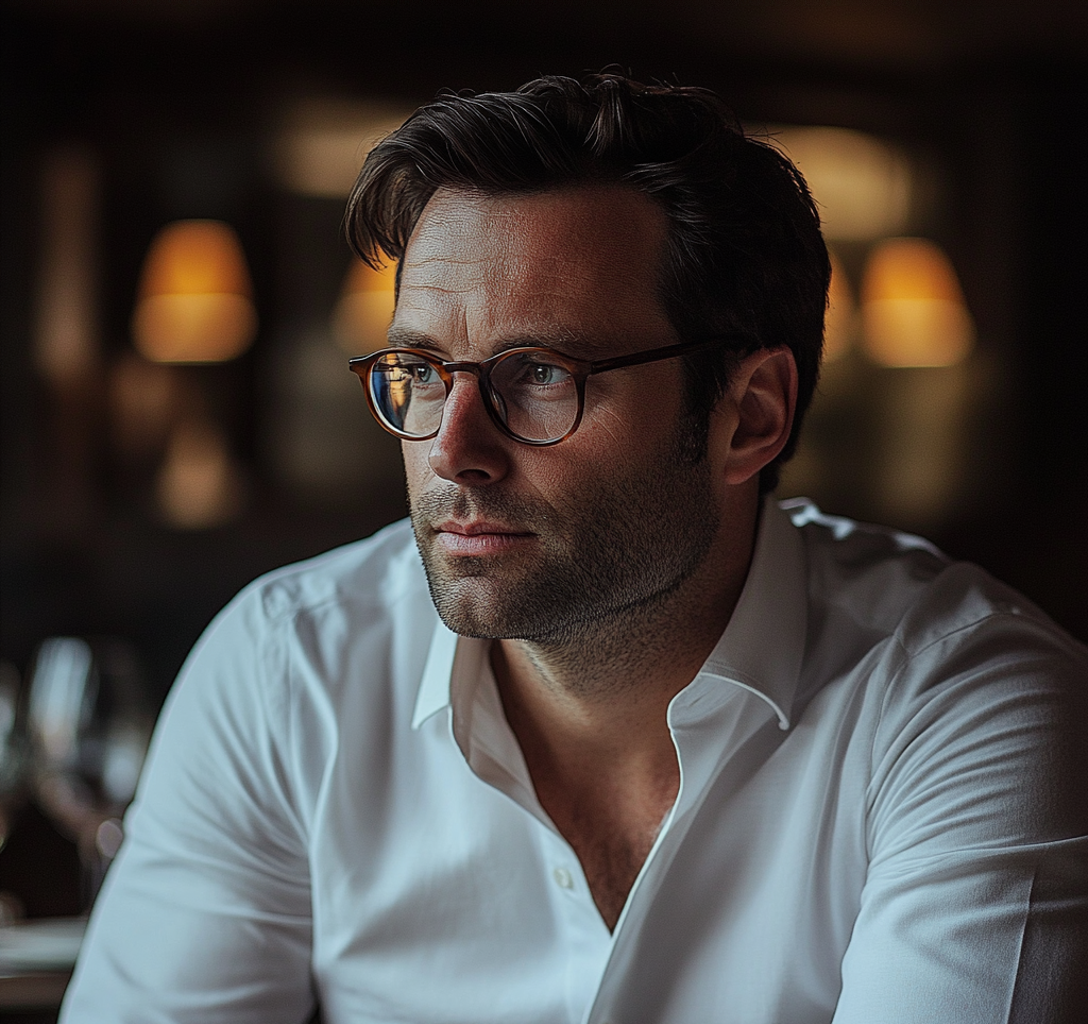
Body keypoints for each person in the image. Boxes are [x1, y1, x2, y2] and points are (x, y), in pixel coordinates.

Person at [62, 74, 1086, 1024]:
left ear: (749, 415)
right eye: (420, 370)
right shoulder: (286, 674)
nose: (452, 451)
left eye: (540, 373)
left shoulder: (966, 703)